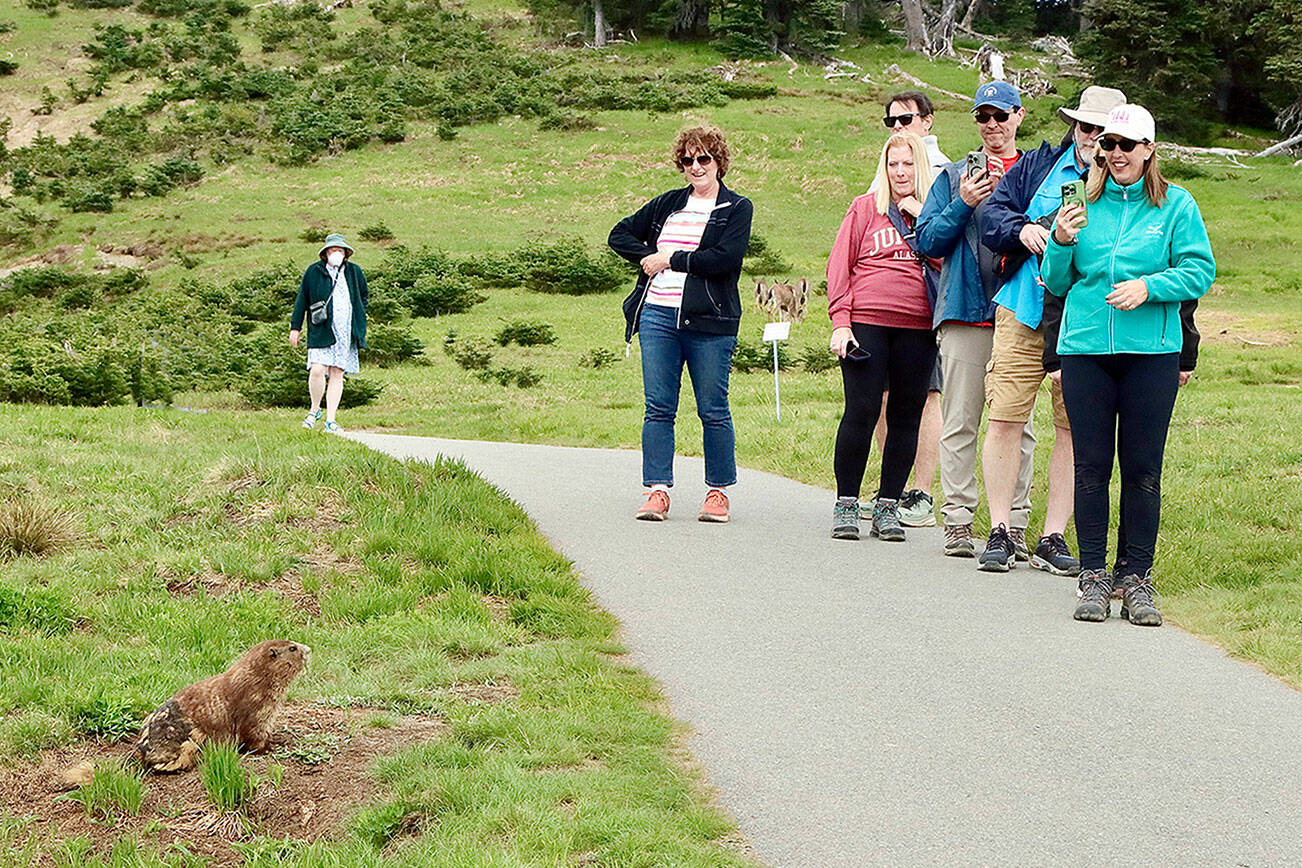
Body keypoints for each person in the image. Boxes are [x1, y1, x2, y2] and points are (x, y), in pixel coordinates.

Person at [1042, 103, 1214, 626]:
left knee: (1142, 470)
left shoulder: (1177, 205)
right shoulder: (1079, 203)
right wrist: (1061, 241)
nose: (1114, 154)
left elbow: (1199, 270)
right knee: (1091, 468)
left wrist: (1149, 287)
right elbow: (1055, 281)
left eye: (1126, 145)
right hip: (1086, 350)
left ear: (1148, 151)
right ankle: (1093, 575)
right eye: (1106, 145)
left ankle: (1136, 578)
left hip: (1151, 355)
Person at [977, 86, 1128, 576]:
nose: (1092, 139)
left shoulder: (1126, 182)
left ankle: (1053, 535)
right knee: (1005, 416)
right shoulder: (1040, 165)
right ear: (1074, 127)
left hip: (1082, 322)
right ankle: (1000, 530)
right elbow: (992, 217)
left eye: (1104, 133)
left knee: (1073, 428)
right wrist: (1024, 230)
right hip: (1022, 308)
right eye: (1085, 127)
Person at [915, 81, 1036, 559]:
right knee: (961, 421)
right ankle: (959, 521)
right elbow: (925, 242)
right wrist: (962, 201)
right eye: (983, 117)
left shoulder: (1035, 173)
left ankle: (1017, 525)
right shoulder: (953, 176)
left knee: (1017, 423)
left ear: (1019, 116)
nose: (992, 125)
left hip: (1020, 311)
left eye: (1000, 115)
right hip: (966, 309)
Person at [608, 125, 753, 524]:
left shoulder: (736, 208)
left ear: (719, 162)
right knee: (658, 407)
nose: (696, 166)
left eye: (704, 158)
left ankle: (718, 492)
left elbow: (725, 259)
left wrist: (670, 259)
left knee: (713, 408)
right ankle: (657, 490)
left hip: (711, 322)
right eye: (688, 160)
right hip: (657, 316)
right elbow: (618, 234)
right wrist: (648, 255)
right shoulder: (667, 204)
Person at [827, 132, 937, 542]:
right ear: (884, 168)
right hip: (868, 320)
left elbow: (946, 260)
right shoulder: (864, 209)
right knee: (862, 410)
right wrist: (841, 321)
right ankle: (847, 502)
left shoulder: (934, 213)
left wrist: (923, 217)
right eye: (893, 164)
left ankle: (889, 504)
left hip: (918, 326)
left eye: (908, 164)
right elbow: (839, 266)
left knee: (906, 415)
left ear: (920, 167)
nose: (900, 172)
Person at [874, 91, 948, 527]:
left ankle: (921, 488)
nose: (899, 127)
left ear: (928, 121)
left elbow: (952, 235)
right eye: (891, 121)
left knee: (927, 394)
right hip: (884, 306)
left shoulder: (943, 170)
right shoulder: (884, 164)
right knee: (883, 395)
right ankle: (893, 485)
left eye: (906, 118)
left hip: (928, 300)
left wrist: (922, 213)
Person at [289, 233, 368, 435]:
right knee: (317, 369)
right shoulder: (313, 272)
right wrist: (295, 327)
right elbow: (302, 299)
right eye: (332, 250)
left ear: (345, 253)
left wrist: (358, 316)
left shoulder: (354, 272)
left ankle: (331, 419)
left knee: (337, 372)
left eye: (339, 250)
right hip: (321, 329)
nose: (336, 253)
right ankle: (314, 409)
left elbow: (363, 296)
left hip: (346, 331)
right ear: (325, 253)